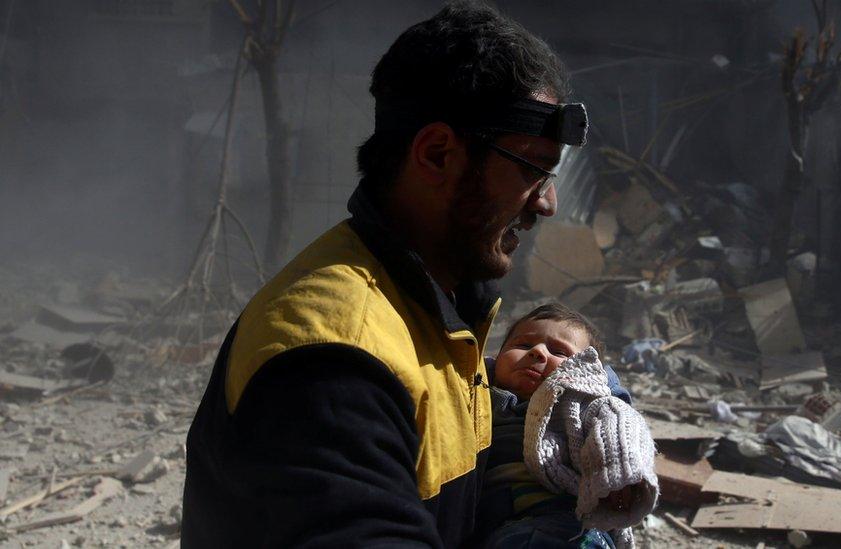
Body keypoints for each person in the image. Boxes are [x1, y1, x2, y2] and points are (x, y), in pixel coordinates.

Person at [181, 2, 589, 547]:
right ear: (438, 154)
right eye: (532, 169)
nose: (548, 203)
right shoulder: (334, 362)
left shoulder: (443, 314)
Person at [479, 303, 658, 548]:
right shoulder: (477, 393)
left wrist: (619, 474)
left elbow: (618, 425)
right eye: (523, 345)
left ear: (585, 372)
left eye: (559, 352)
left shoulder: (579, 401)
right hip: (492, 524)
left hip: (565, 523)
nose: (537, 352)